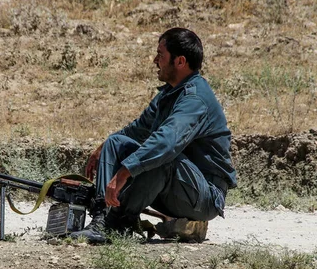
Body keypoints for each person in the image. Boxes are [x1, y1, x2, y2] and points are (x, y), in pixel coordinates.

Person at [71, 27, 237, 244]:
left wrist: (124, 172)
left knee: (162, 156)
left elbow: (166, 143)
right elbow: (137, 129)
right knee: (115, 143)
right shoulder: (170, 93)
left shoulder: (195, 99)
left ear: (180, 61)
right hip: (176, 189)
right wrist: (102, 148)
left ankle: (117, 224)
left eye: (160, 55)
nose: (154, 60)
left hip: (204, 197)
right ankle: (102, 219)